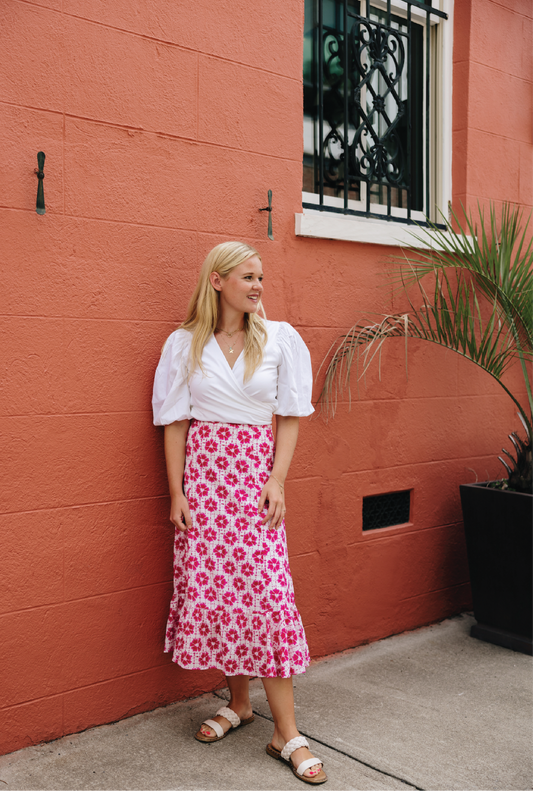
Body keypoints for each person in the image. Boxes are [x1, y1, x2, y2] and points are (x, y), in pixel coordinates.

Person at [152, 241, 327, 785]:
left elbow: (292, 415)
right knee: (221, 592)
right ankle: (240, 704)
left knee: (269, 598)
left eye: (261, 277)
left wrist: (277, 479)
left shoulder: (278, 338)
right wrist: (177, 493)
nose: (258, 286)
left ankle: (288, 733)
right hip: (204, 485)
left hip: (254, 484)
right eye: (247, 277)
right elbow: (175, 422)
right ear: (217, 282)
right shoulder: (185, 345)